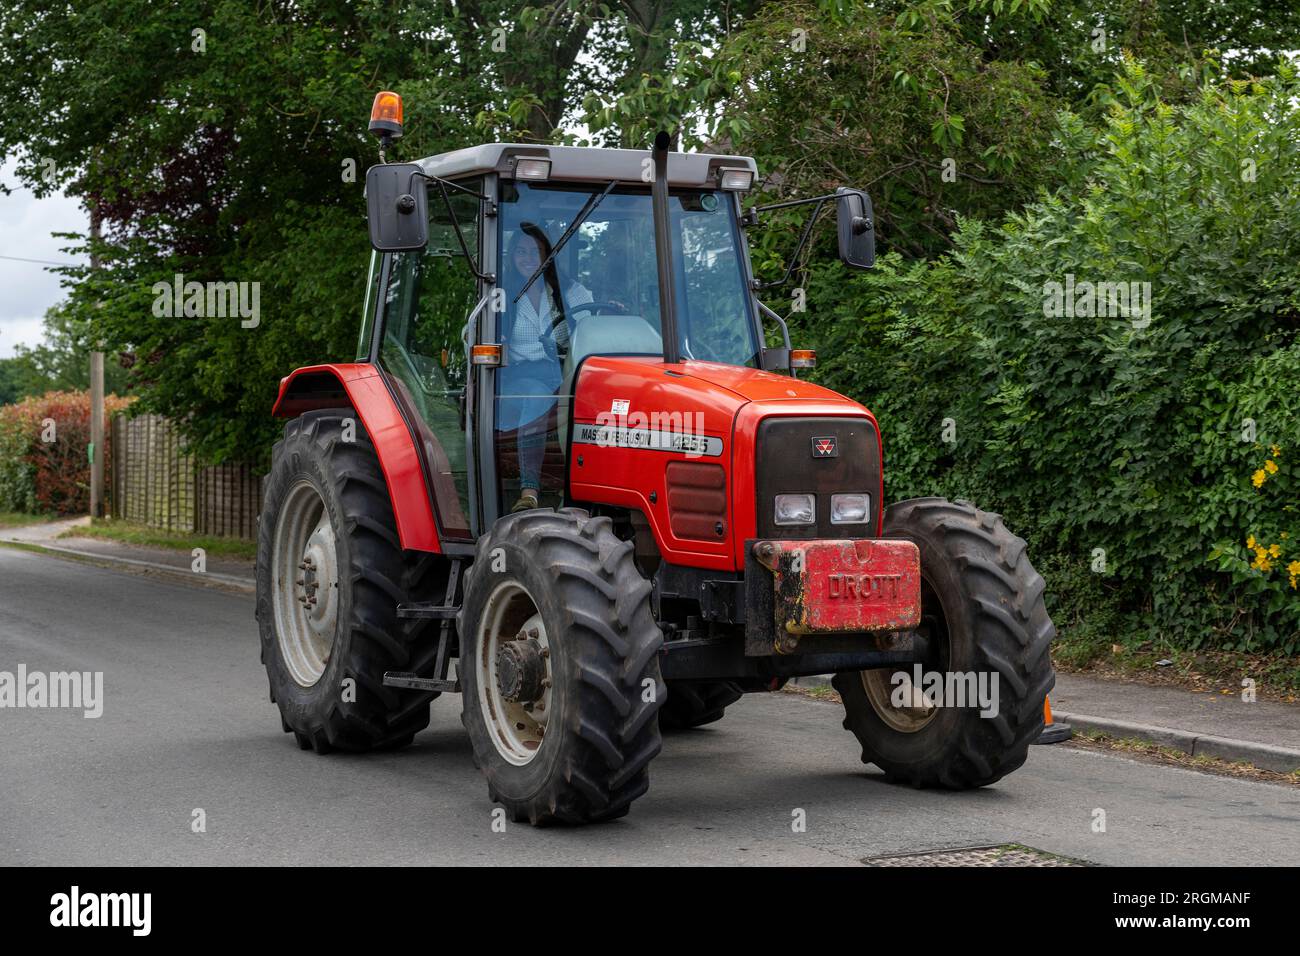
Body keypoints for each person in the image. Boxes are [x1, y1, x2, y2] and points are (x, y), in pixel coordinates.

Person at [497, 227, 592, 513]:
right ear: (512, 255)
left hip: (563, 372)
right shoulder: (502, 294)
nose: (528, 258)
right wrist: (491, 340)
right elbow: (471, 333)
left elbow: (589, 327)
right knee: (538, 396)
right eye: (521, 251)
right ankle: (530, 490)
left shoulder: (571, 291)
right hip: (518, 377)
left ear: (548, 256)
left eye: (536, 251)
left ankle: (585, 489)